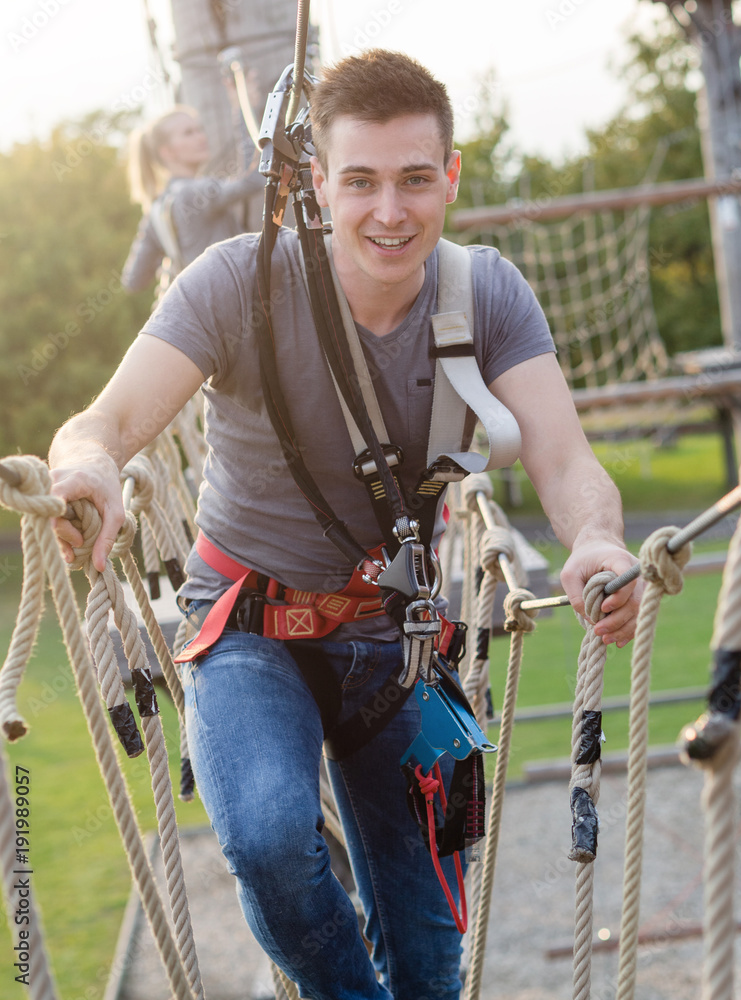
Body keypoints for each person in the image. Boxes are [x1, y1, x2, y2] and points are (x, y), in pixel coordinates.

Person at [49, 49, 641, 1000]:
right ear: (317, 181)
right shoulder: (236, 282)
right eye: (359, 181)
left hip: (393, 637)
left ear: (450, 176)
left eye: (415, 179)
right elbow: (108, 422)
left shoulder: (484, 293)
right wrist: (84, 467)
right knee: (273, 840)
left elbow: (564, 458)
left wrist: (599, 541)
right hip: (244, 623)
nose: (389, 212)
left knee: (429, 962)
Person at [121, 101, 264, 293]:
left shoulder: (156, 209)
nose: (201, 137)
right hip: (232, 308)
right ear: (167, 152)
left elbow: (134, 280)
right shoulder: (195, 191)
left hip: (199, 314)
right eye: (188, 133)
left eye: (199, 130)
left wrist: (175, 263)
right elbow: (254, 179)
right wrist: (244, 108)